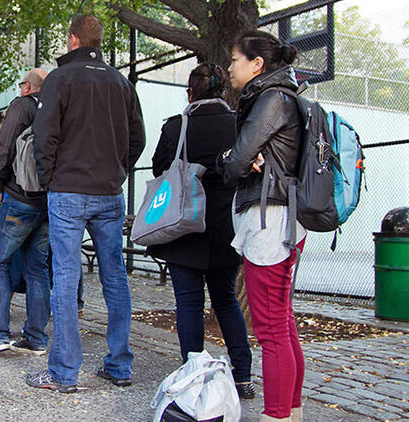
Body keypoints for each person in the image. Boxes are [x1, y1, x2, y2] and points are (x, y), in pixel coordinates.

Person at [26, 15, 145, 393]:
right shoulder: (121, 83)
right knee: (115, 276)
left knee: (65, 275)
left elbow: (45, 137)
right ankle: (119, 364)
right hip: (109, 191)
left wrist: (51, 179)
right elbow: (137, 138)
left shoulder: (60, 79)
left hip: (69, 189)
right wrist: (117, 171)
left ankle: (63, 372)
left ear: (72, 39)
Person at [147, 63, 254, 399]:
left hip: (183, 223)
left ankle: (191, 372)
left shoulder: (177, 126)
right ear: (223, 91)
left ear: (190, 91)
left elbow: (160, 166)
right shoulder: (239, 124)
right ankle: (243, 374)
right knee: (225, 300)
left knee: (189, 303)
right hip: (226, 226)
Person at [220, 30, 305, 422]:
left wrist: (230, 159)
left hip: (269, 221)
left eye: (235, 59)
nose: (230, 66)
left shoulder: (271, 99)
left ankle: (277, 415)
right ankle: (290, 411)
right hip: (281, 218)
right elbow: (242, 158)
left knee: (271, 328)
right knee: (282, 323)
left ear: (257, 64)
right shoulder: (282, 96)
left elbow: (236, 164)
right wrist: (236, 157)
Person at [0, 68, 52, 357]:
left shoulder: (21, 106)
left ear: (27, 87)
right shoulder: (56, 108)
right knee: (37, 268)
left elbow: (4, 148)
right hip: (46, 200)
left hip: (18, 197)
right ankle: (37, 337)